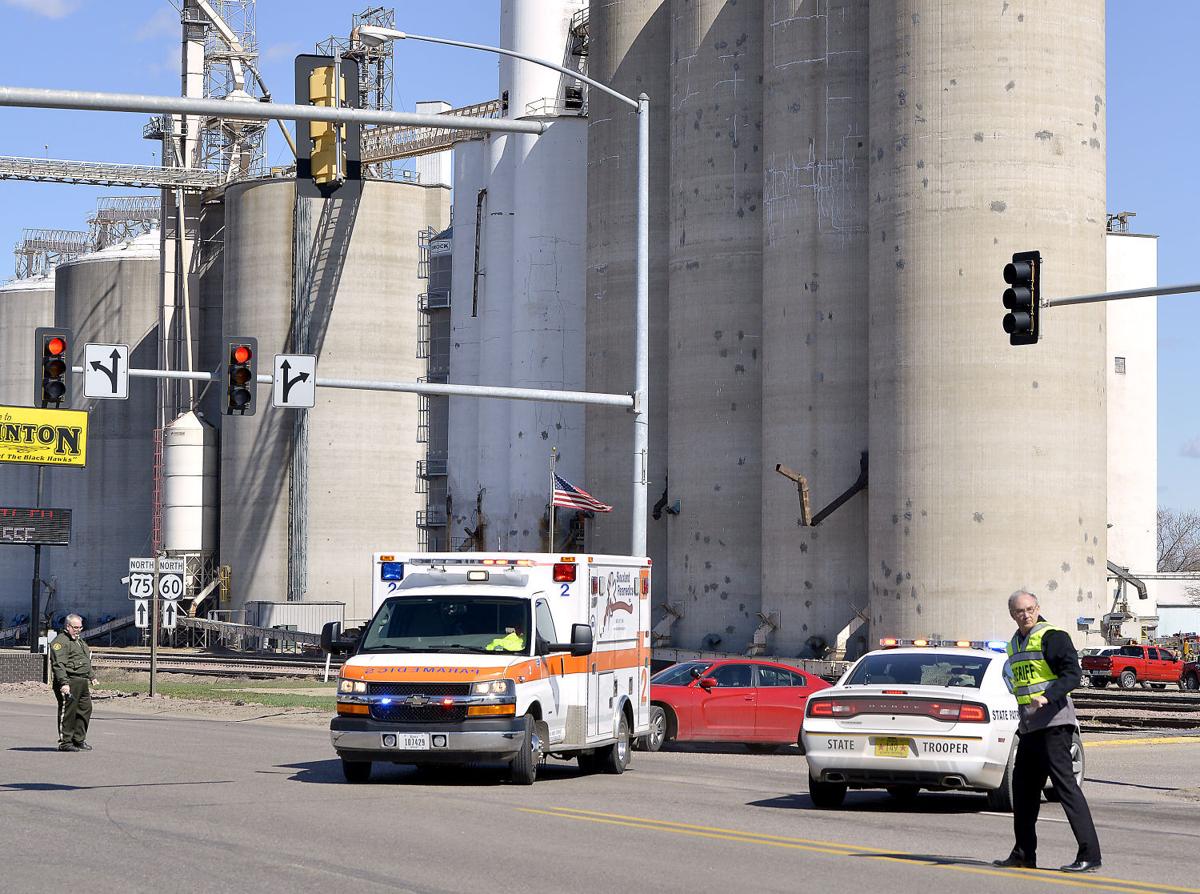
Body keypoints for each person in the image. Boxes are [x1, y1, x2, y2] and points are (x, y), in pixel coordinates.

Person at [994, 589, 1101, 873]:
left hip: (1055, 724)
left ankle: (1090, 854)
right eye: (1019, 611)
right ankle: (1024, 853)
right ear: (1012, 614)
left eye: (1030, 609)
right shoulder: (1013, 645)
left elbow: (1072, 674)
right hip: (1029, 727)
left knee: (1066, 788)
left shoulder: (1053, 636)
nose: (1025, 614)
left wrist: (1048, 696)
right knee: (1023, 790)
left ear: (1038, 608)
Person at [48, 613, 97, 752]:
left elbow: (84, 660)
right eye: (75, 627)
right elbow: (58, 664)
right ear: (67, 626)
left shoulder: (79, 641)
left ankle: (78, 739)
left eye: (80, 627)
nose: (78, 630)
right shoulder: (60, 642)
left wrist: (91, 676)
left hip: (81, 681)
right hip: (69, 681)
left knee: (85, 709)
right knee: (68, 712)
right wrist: (63, 683)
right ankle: (65, 742)